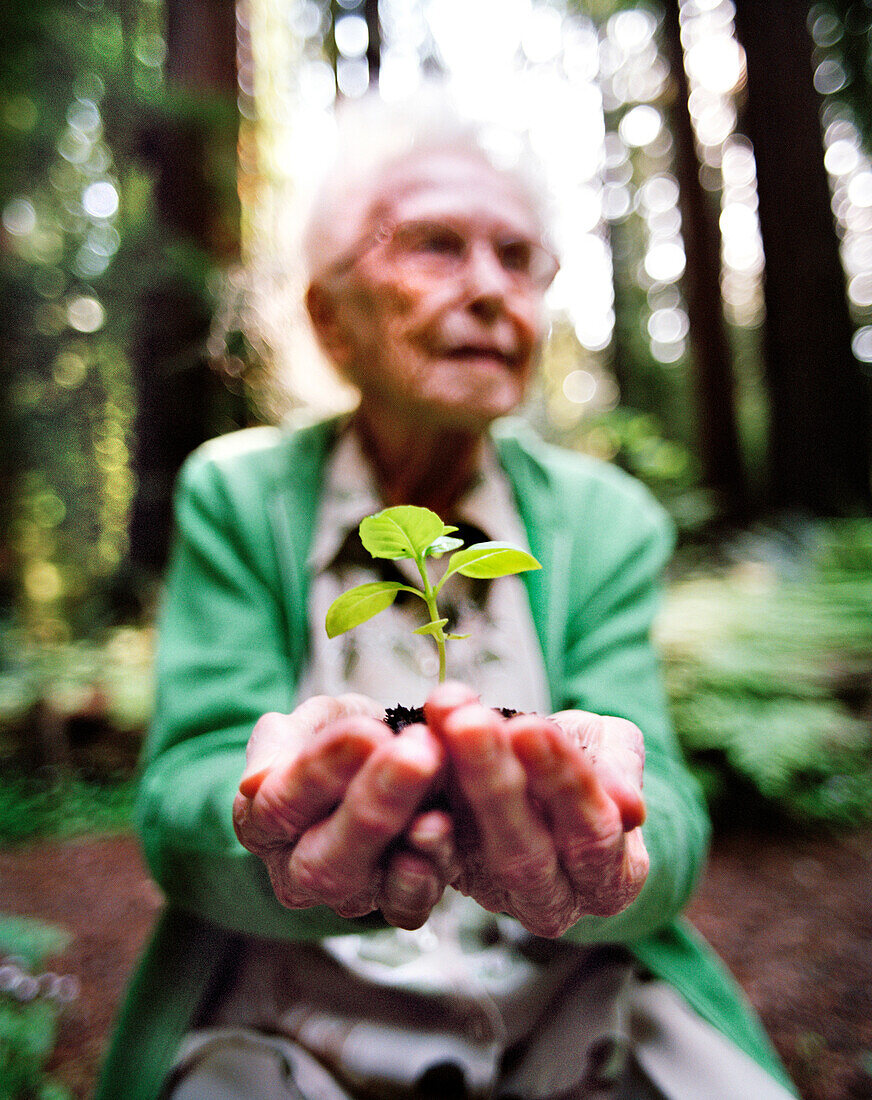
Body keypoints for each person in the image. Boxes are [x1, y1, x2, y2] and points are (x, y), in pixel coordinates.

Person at [96, 98, 797, 1100]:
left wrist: (611, 842)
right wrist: (282, 824)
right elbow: (183, 801)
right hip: (291, 1021)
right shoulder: (240, 493)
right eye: (434, 246)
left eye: (519, 259)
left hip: (573, 1011)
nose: (487, 290)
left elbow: (669, 818)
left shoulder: (602, 520)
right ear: (331, 313)